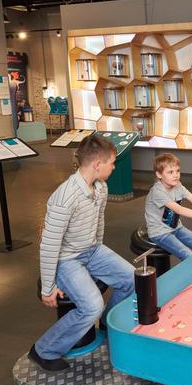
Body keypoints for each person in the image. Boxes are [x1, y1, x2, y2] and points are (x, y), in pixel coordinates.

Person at [30, 135, 135, 372]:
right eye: (112, 163)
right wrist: (48, 286)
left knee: (131, 279)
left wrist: (98, 255)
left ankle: (108, 322)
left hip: (92, 250)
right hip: (67, 258)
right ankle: (44, 350)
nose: (114, 167)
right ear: (97, 164)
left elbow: (98, 224)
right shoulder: (65, 197)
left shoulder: (101, 187)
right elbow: (49, 244)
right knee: (92, 306)